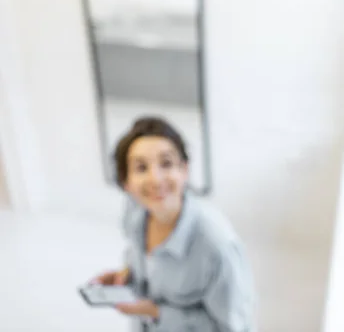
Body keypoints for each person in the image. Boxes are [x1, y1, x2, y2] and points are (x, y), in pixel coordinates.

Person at [90, 117, 255, 332]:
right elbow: (144, 262)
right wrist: (126, 277)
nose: (155, 179)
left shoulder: (217, 246)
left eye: (166, 163)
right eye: (141, 168)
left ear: (184, 170)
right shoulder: (135, 213)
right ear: (126, 182)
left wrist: (156, 312)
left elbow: (234, 328)